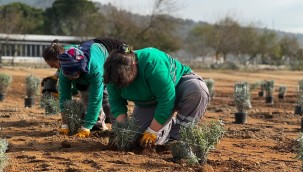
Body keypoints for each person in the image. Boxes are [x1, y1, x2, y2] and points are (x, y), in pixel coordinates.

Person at [103, 46, 210, 147]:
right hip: (149, 100)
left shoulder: (152, 63)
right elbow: (117, 103)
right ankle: (166, 126)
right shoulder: (112, 73)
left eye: (125, 81)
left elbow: (166, 99)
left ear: (134, 65)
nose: (123, 85)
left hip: (180, 85)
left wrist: (152, 131)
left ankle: (177, 136)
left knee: (198, 91)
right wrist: (124, 131)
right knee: (139, 140)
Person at [43, 38, 126, 137]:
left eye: (73, 75)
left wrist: (86, 127)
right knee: (84, 92)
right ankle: (97, 124)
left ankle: (119, 128)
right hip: (91, 55)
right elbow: (64, 97)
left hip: (113, 52)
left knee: (109, 96)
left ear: (81, 68)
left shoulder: (95, 70)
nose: (70, 78)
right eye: (68, 75)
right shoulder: (64, 70)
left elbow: (95, 99)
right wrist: (65, 125)